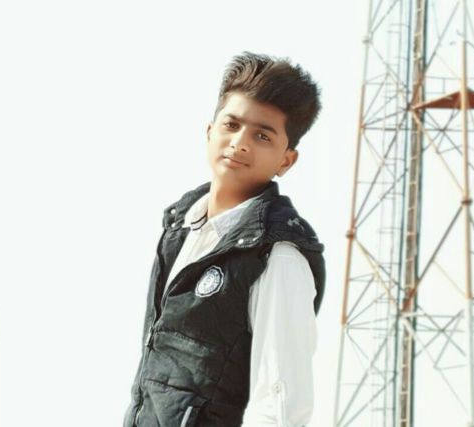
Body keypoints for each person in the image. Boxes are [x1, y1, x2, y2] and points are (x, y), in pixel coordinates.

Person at [123, 51, 326, 427]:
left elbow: (282, 403)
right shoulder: (179, 230)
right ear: (209, 131)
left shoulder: (277, 256)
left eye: (262, 135)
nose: (240, 143)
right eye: (231, 125)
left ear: (286, 160)